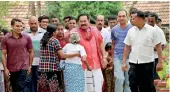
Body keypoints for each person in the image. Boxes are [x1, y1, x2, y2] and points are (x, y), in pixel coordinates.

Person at [122, 10, 163, 92]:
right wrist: (123, 62)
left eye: (133, 18)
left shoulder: (152, 31)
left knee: (146, 87)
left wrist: (160, 62)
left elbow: (159, 47)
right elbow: (127, 47)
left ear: (140, 19)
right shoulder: (131, 31)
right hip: (133, 63)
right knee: (132, 84)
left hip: (147, 64)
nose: (131, 20)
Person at [70, 14, 107, 92]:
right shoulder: (74, 32)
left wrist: (104, 57)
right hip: (82, 66)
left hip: (96, 64)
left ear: (89, 21)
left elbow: (101, 43)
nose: (83, 23)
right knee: (86, 88)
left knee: (98, 86)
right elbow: (70, 44)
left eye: (85, 21)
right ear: (78, 23)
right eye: (81, 21)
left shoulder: (95, 30)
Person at [38, 25, 80, 92]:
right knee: (55, 88)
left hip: (42, 69)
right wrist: (76, 54)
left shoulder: (42, 40)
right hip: (53, 68)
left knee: (44, 88)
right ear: (54, 32)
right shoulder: (54, 41)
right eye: (57, 30)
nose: (58, 32)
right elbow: (62, 55)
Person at [1, 18, 34, 92]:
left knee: (20, 87)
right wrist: (5, 68)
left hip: (23, 67)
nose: (20, 28)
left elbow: (31, 51)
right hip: (11, 68)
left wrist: (30, 65)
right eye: (17, 26)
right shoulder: (5, 39)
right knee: (15, 88)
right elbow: (3, 54)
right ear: (12, 26)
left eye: (21, 26)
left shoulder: (27, 38)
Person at [23, 16, 46, 92]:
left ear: (38, 23)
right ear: (28, 23)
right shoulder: (24, 33)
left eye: (35, 23)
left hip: (40, 62)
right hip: (27, 62)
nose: (33, 25)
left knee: (38, 81)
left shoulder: (44, 33)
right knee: (27, 82)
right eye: (31, 23)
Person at [111, 9, 132, 92]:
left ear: (127, 17)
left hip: (129, 57)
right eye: (119, 16)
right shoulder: (114, 29)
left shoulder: (132, 29)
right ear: (117, 17)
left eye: (123, 16)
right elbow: (113, 43)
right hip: (117, 57)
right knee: (119, 78)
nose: (121, 18)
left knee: (128, 81)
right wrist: (113, 57)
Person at [147, 12, 167, 80]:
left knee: (155, 79)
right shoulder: (144, 29)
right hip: (145, 59)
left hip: (155, 58)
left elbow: (162, 47)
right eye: (148, 21)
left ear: (156, 21)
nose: (149, 23)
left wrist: (150, 48)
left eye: (152, 21)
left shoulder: (159, 31)